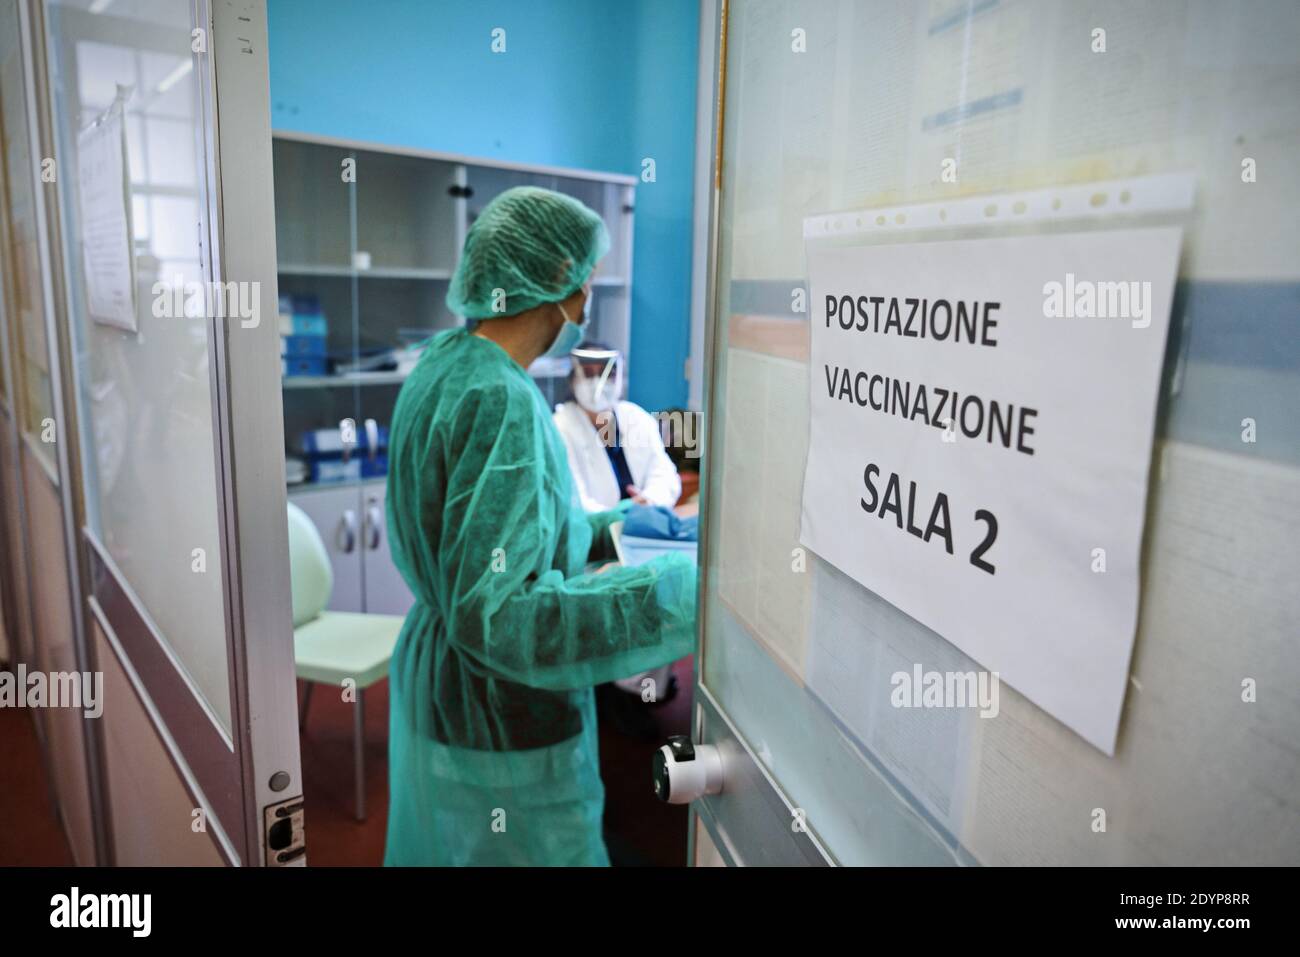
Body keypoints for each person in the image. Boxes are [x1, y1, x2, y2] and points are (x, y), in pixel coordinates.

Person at [382, 186, 696, 866]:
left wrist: (619, 527)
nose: (587, 302)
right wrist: (676, 590)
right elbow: (504, 616)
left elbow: (507, 534)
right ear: (557, 283)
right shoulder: (503, 402)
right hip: (499, 714)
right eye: (585, 281)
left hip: (443, 685)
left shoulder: (447, 364)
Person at [553, 342, 681, 512]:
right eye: (588, 374)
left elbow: (665, 475)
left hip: (643, 523)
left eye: (607, 374)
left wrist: (649, 501)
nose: (598, 383)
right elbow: (574, 500)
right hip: (595, 532)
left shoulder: (636, 417)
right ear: (572, 380)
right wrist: (620, 514)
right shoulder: (560, 426)